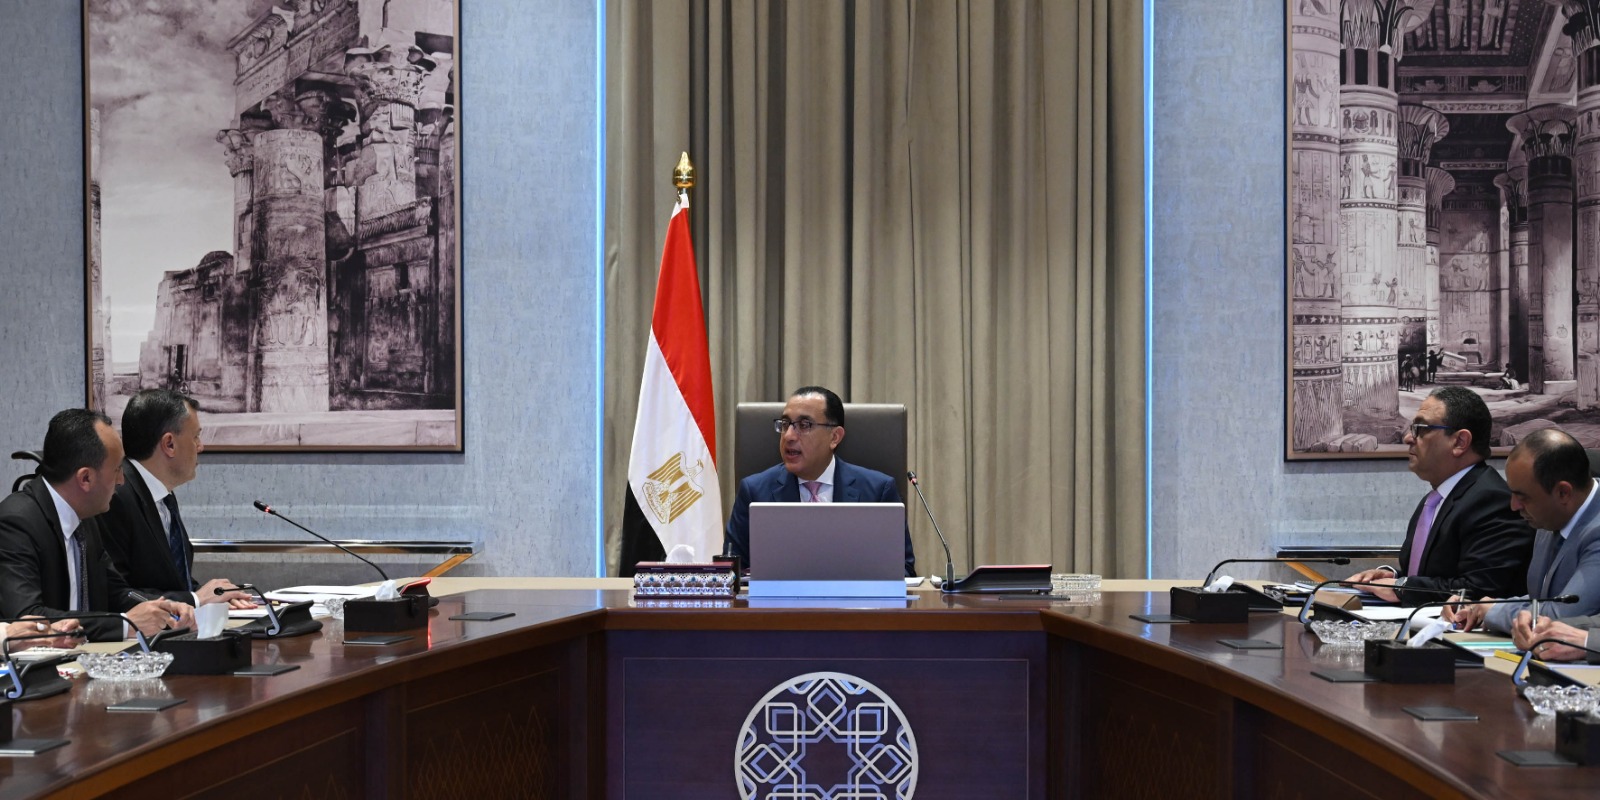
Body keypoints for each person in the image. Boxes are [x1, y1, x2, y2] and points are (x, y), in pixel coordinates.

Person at [0, 409, 194, 642]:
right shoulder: (16, 522)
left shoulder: (86, 517)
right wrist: (125, 624)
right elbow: (27, 618)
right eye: (117, 469)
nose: (122, 480)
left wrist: (162, 607)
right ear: (86, 478)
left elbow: (115, 591)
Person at [1342, 387, 1534, 603]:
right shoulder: (1435, 500)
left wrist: (1402, 587)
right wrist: (1391, 577)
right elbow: (1433, 576)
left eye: (1421, 429)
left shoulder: (1492, 501)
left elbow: (1478, 590)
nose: (1408, 438)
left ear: (1460, 442)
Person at [723, 386, 916, 576]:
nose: (788, 436)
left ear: (834, 437)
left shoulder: (877, 492)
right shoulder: (754, 492)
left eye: (804, 425)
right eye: (785, 424)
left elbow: (903, 571)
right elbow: (732, 572)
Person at [101, 389, 252, 609]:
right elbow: (117, 594)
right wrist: (196, 599)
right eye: (195, 436)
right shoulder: (115, 496)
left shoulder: (163, 496)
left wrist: (214, 595)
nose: (201, 447)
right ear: (169, 444)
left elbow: (172, 580)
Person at [1444, 428, 1600, 634]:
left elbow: (1563, 615)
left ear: (1563, 493)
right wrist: (1482, 606)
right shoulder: (1549, 516)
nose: (1513, 506)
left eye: (1522, 496)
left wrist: (1494, 612)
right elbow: (1542, 599)